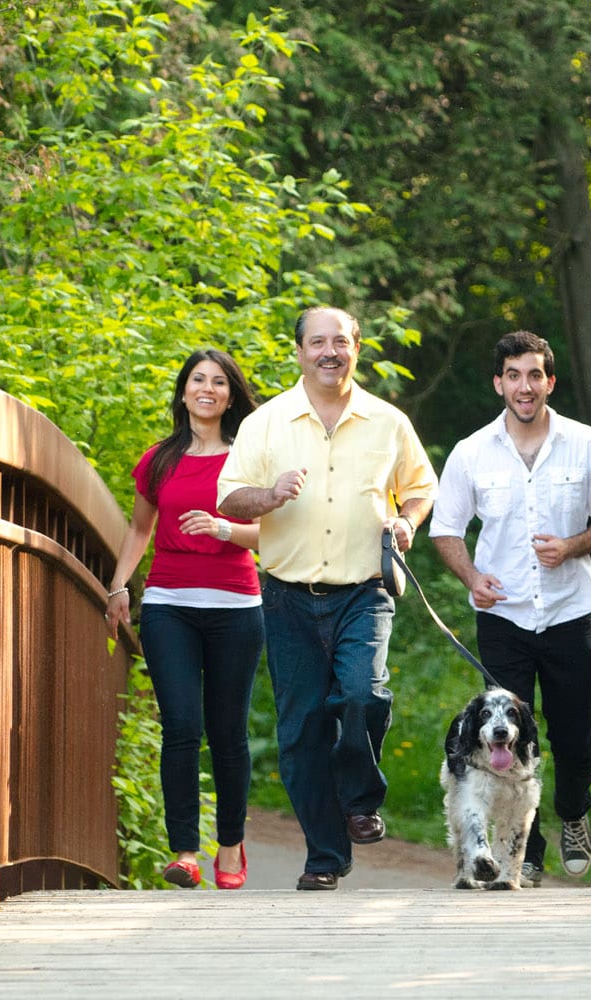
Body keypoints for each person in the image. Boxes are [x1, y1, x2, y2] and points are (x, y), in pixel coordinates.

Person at [216, 306, 438, 891]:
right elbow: (229, 501)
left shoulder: (388, 421)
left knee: (364, 695)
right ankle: (324, 856)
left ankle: (360, 800)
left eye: (340, 341)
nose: (329, 352)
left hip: (364, 591)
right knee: (301, 730)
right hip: (286, 597)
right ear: (299, 352)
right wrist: (269, 494)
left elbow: (420, 488)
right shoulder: (266, 423)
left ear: (357, 348)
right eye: (318, 342)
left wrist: (408, 521)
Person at [429, 330, 591, 887]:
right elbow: (445, 529)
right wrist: (472, 577)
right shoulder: (471, 451)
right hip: (503, 618)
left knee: (575, 734)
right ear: (499, 383)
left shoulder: (587, 444)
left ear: (550, 381)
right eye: (513, 375)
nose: (525, 386)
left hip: (567, 612)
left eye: (534, 375)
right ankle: (525, 849)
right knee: (503, 738)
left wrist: (571, 546)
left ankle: (575, 812)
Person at [105, 348, 264, 891]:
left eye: (219, 382)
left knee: (228, 734)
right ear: (183, 391)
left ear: (230, 395)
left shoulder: (247, 460)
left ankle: (232, 842)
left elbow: (274, 536)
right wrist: (119, 584)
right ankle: (185, 852)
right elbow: (137, 530)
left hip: (236, 607)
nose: (208, 389)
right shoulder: (160, 460)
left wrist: (224, 530)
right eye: (198, 379)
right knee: (181, 726)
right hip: (169, 604)